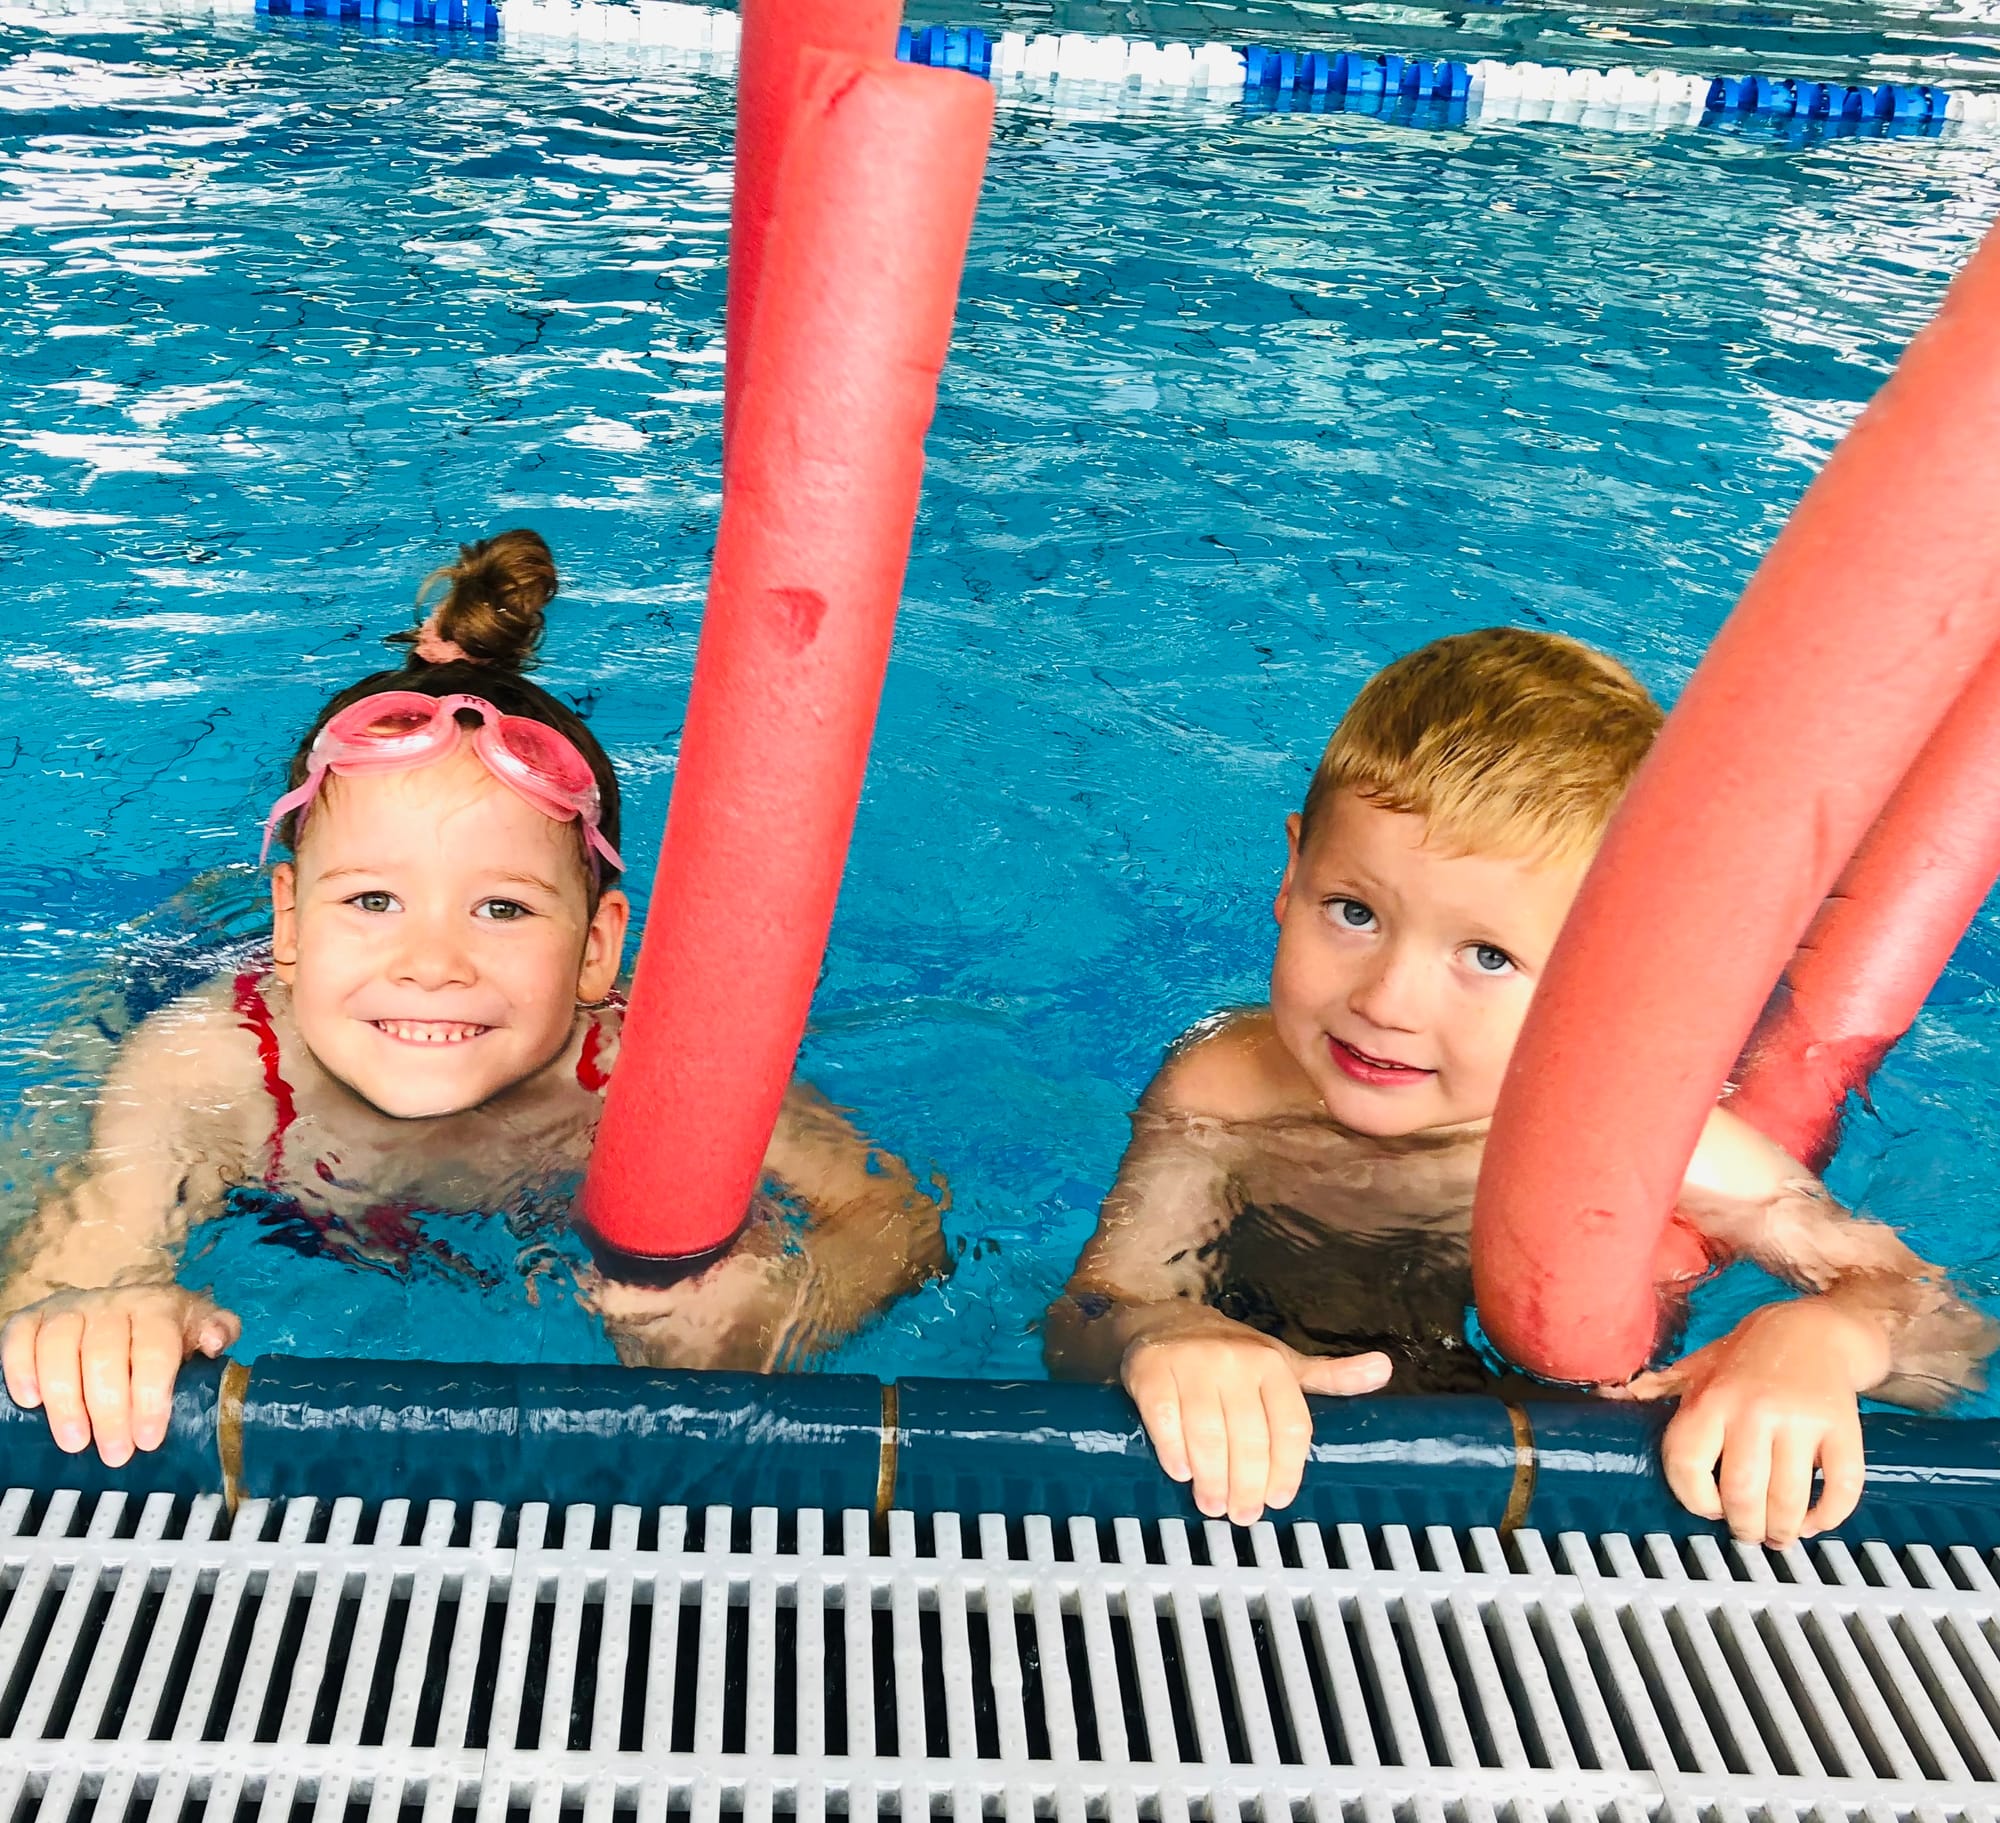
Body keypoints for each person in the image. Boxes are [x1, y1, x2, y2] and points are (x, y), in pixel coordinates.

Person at [0, 530, 946, 1466]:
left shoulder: (647, 1063)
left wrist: (782, 1306)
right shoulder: (209, 1061)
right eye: (373, 900)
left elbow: (894, 1219)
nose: (432, 961)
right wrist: (99, 1307)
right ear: (291, 923)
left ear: (597, 950)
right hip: (212, 984)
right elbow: (80, 1249)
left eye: (501, 907)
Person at [1045, 627, 1995, 1548]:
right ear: (1291, 873)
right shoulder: (1228, 1085)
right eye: (1354, 911)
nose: (1386, 1001)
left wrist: (1816, 1343)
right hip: (1265, 1426)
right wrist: (1164, 1328)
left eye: (1489, 956)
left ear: (1605, 973)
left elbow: (1949, 1334)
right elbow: (1091, 1312)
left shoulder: (1660, 1141)